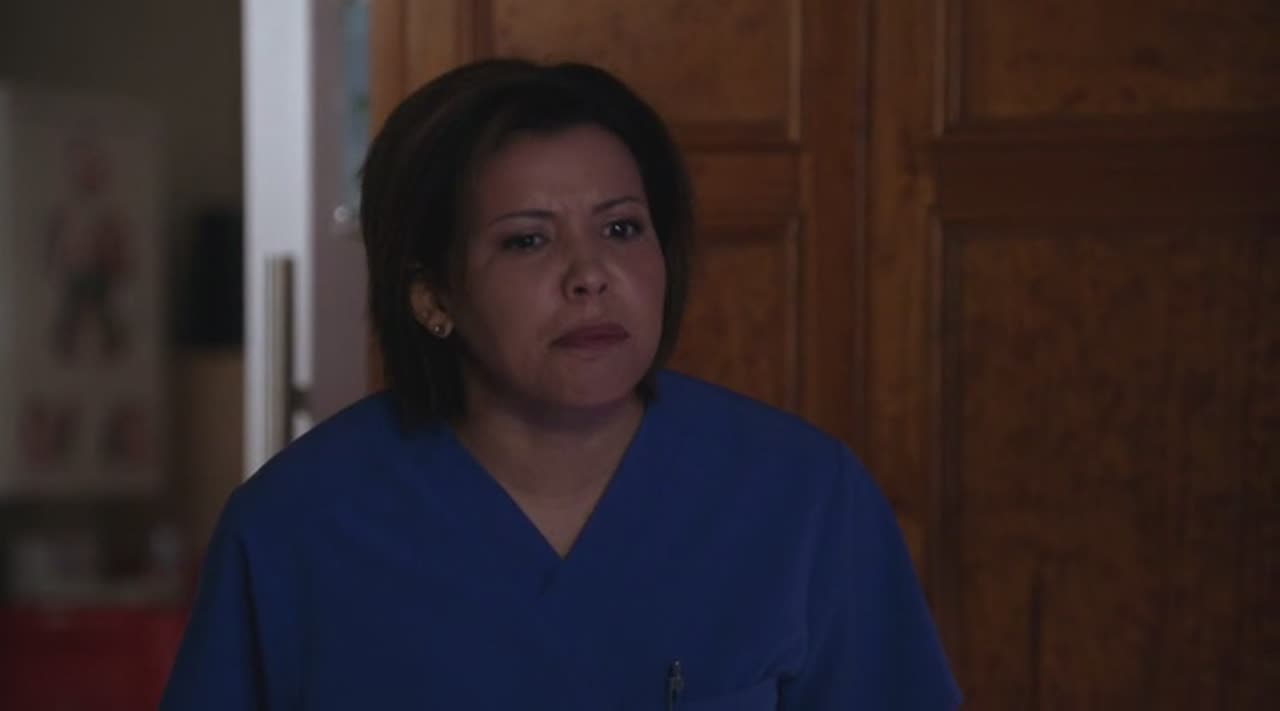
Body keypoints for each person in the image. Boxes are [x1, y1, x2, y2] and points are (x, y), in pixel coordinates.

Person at [161, 59, 961, 710]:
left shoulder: (804, 498)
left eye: (621, 228)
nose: (591, 274)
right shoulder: (295, 527)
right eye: (527, 241)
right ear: (432, 295)